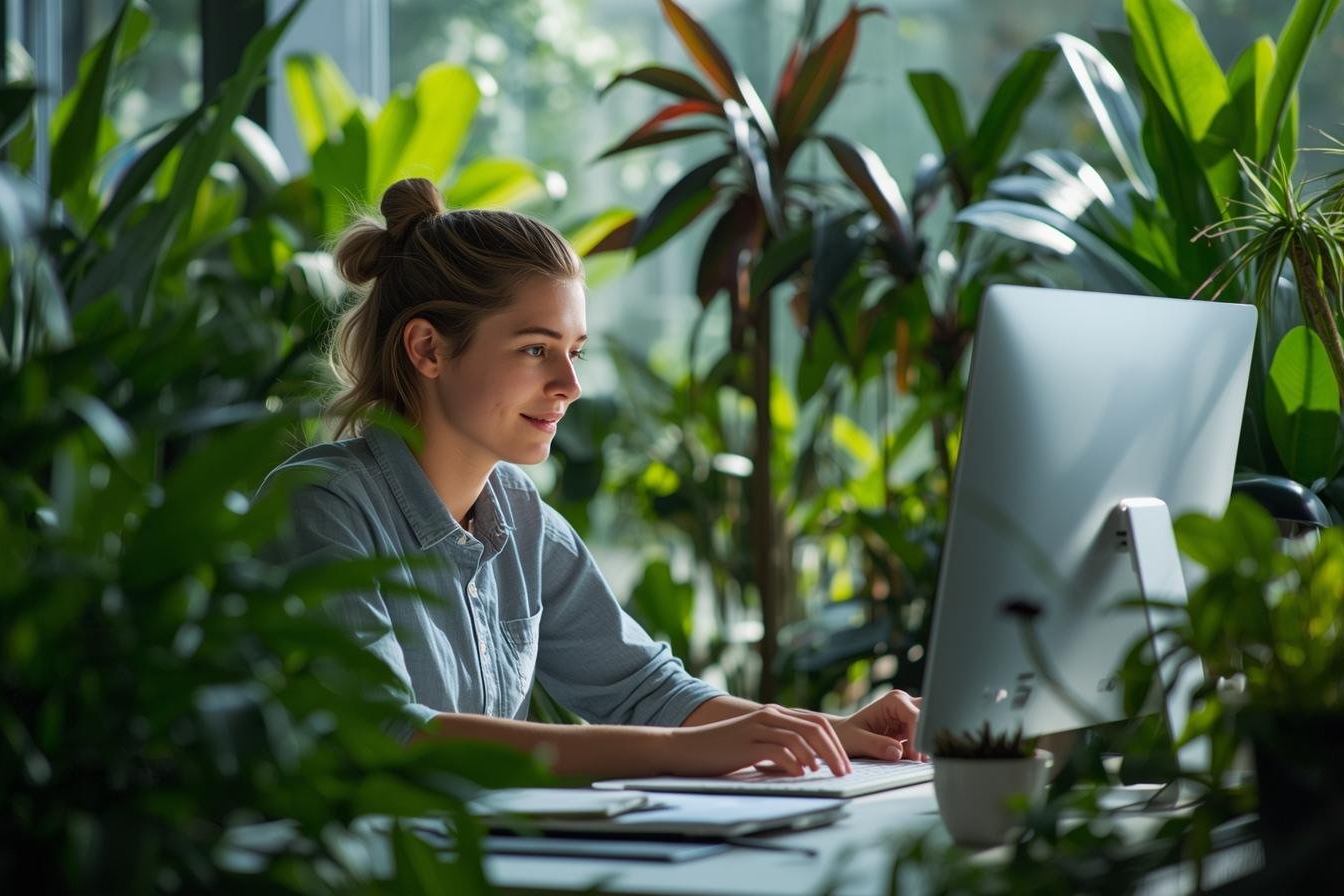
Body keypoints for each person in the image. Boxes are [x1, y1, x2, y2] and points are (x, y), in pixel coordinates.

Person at [258, 177, 921, 779]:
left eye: (573, 353)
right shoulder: (320, 506)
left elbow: (644, 691)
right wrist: (681, 754)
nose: (570, 386)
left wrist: (832, 731)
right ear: (428, 348)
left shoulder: (517, 513)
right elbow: (385, 733)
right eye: (535, 350)